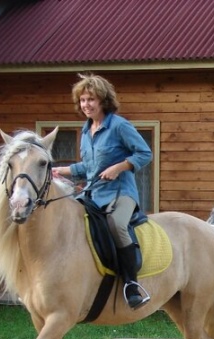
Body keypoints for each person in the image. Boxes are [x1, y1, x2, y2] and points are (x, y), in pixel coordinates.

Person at [53, 73, 153, 309]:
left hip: (121, 194)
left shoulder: (119, 126)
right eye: (82, 100)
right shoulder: (86, 131)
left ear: (103, 101)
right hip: (92, 195)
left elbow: (144, 154)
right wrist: (61, 171)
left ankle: (131, 284)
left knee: (116, 225)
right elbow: (88, 167)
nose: (86, 105)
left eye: (91, 99)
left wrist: (120, 167)